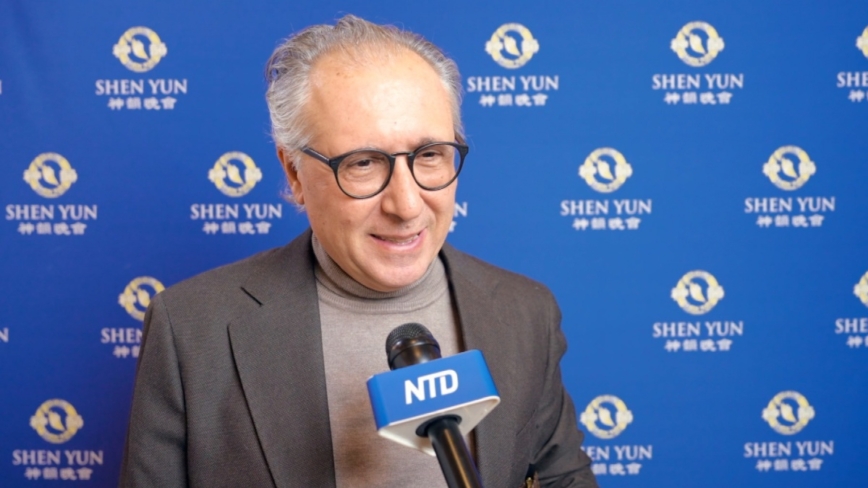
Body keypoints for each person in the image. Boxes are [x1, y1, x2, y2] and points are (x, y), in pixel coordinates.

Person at [120, 15, 598, 488]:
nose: (406, 205)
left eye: (429, 155)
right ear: (293, 172)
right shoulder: (191, 329)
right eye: (364, 163)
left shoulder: (525, 312)